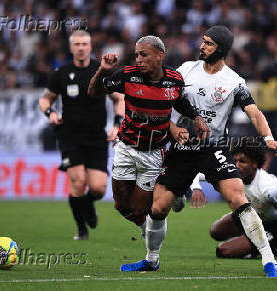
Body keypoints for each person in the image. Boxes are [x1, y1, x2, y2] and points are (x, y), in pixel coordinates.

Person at [121, 26, 277, 277]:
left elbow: (254, 112)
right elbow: (160, 98)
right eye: (203, 41)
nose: (202, 46)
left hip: (214, 148)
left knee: (238, 200)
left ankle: (268, 259)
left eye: (208, 43)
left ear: (220, 49)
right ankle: (151, 260)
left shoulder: (234, 82)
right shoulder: (185, 70)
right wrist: (172, 128)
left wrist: (269, 138)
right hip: (181, 147)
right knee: (158, 208)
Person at [88, 35, 209, 257]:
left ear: (159, 56)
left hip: (153, 153)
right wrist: (103, 70)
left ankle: (170, 194)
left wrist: (197, 117)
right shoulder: (128, 75)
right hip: (125, 147)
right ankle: (148, 226)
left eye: (143, 55)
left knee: (139, 208)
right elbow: (94, 92)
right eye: (136, 55)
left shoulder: (174, 80)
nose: (138, 59)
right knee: (120, 205)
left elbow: (180, 101)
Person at [39, 30, 124, 240]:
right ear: (71, 47)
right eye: (77, 44)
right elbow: (44, 100)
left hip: (96, 137)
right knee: (77, 182)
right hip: (70, 136)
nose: (81, 47)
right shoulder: (61, 73)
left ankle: (87, 204)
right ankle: (81, 230)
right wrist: (50, 113)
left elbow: (119, 98)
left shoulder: (101, 71)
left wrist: (116, 124)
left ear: (90, 46)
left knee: (98, 188)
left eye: (84, 44)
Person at [204, 144, 277, 261]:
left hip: (274, 226)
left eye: (242, 161)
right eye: (235, 161)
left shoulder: (267, 187)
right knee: (215, 231)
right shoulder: (234, 175)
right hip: (250, 216)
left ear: (254, 164)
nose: (237, 166)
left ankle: (268, 246)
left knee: (223, 251)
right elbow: (204, 174)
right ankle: (249, 241)